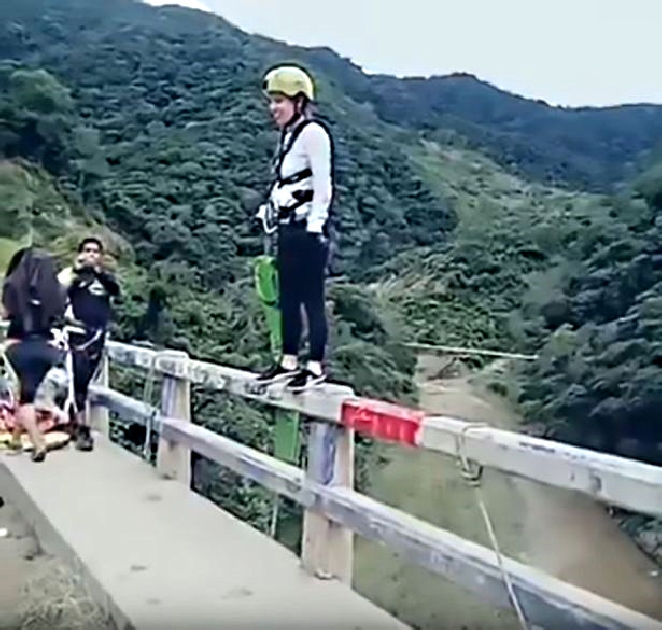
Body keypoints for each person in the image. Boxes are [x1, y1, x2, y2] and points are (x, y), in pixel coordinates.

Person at [256, 64, 335, 392]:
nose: (274, 108)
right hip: (287, 229)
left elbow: (322, 183)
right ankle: (288, 361)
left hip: (307, 229)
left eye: (280, 101)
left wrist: (316, 225)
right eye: (272, 101)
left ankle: (314, 365)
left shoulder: (314, 134)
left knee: (311, 300)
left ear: (299, 102)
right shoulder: (289, 136)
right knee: (287, 298)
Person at [1, 247, 65, 462]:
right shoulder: (55, 290)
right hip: (46, 348)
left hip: (19, 346)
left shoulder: (13, 285)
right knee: (25, 392)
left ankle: (38, 442)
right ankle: (17, 439)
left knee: (25, 399)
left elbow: (6, 313)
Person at [58, 237, 119, 451]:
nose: (91, 255)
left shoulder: (105, 279)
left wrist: (99, 272)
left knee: (84, 382)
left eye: (95, 251)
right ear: (80, 253)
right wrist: (76, 272)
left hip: (98, 337)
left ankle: (74, 422)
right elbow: (57, 295)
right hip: (77, 336)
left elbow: (116, 291)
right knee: (80, 382)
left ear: (101, 256)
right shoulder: (73, 277)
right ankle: (84, 430)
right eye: (87, 251)